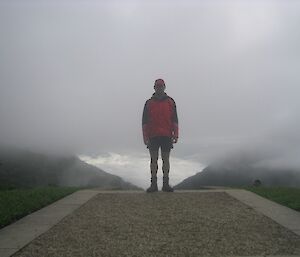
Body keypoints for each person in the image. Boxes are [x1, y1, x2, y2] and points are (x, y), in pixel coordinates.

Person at [142, 79, 179, 193]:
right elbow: (145, 122)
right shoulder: (148, 103)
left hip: (166, 135)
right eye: (157, 86)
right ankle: (154, 185)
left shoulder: (170, 102)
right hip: (153, 135)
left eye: (161, 86)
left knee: (165, 160)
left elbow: (174, 119)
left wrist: (175, 134)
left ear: (164, 87)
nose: (159, 88)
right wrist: (145, 137)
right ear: (154, 87)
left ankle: (165, 184)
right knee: (154, 160)